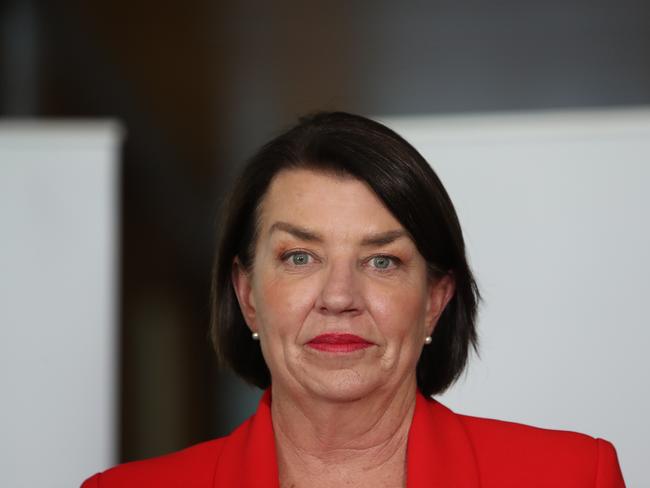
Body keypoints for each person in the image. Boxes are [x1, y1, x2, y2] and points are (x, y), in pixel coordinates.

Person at [82, 112, 625, 487]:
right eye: (300, 257)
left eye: (381, 261)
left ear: (436, 299)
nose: (339, 297)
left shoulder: (572, 477)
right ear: (247, 295)